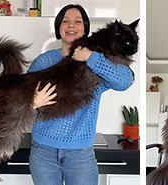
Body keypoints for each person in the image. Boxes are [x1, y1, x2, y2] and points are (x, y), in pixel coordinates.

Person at [28, 4, 134, 185]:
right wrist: (31, 103)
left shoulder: (98, 61)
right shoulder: (43, 61)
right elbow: (18, 102)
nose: (71, 25)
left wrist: (89, 57)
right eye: (65, 21)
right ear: (58, 28)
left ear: (85, 29)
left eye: (77, 21)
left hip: (80, 156)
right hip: (42, 153)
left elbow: (125, 81)